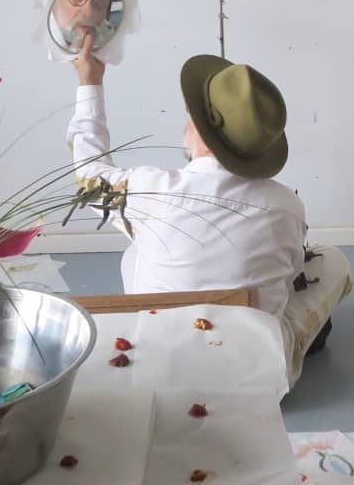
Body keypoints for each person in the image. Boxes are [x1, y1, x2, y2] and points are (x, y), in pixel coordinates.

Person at [65, 34, 307, 318]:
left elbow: (88, 173)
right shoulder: (287, 205)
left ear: (205, 137)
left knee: (135, 254)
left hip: (160, 340)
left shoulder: (148, 192)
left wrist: (90, 81)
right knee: (330, 263)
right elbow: (292, 274)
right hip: (254, 343)